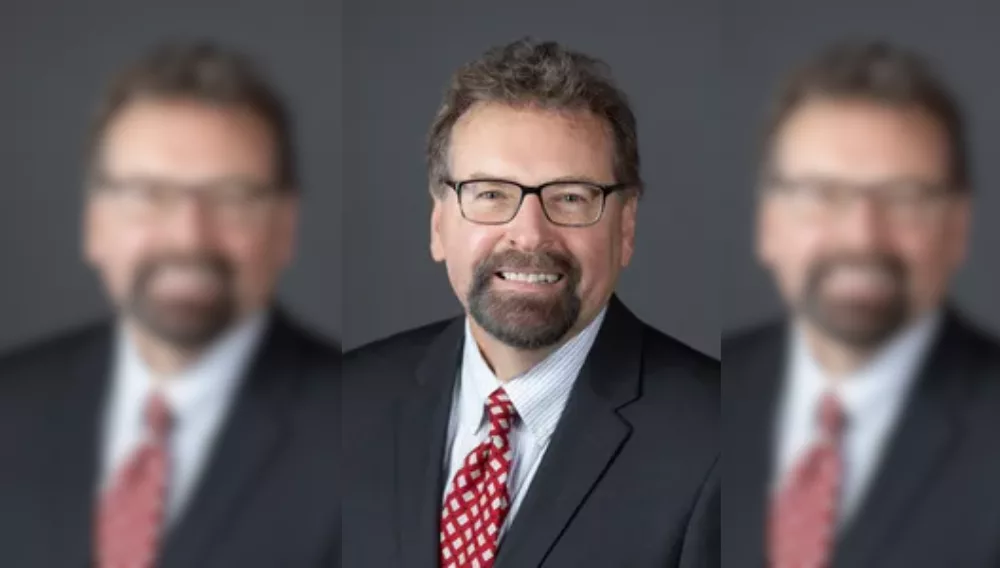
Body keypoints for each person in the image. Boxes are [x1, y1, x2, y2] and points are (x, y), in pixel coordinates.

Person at [343, 38, 719, 568]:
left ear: (626, 226)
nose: (529, 234)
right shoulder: (344, 404)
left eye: (570, 196)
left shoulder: (720, 442)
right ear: (438, 222)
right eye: (490, 193)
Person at [0, 41, 341, 568]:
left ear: (285, 227)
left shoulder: (358, 427)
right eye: (147, 194)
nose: (188, 237)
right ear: (94, 223)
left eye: (232, 197)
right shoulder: (11, 405)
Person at [724, 40, 1000, 568]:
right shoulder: (704, 397)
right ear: (768, 222)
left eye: (905, 197)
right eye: (821, 193)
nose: (861, 236)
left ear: (958, 228)